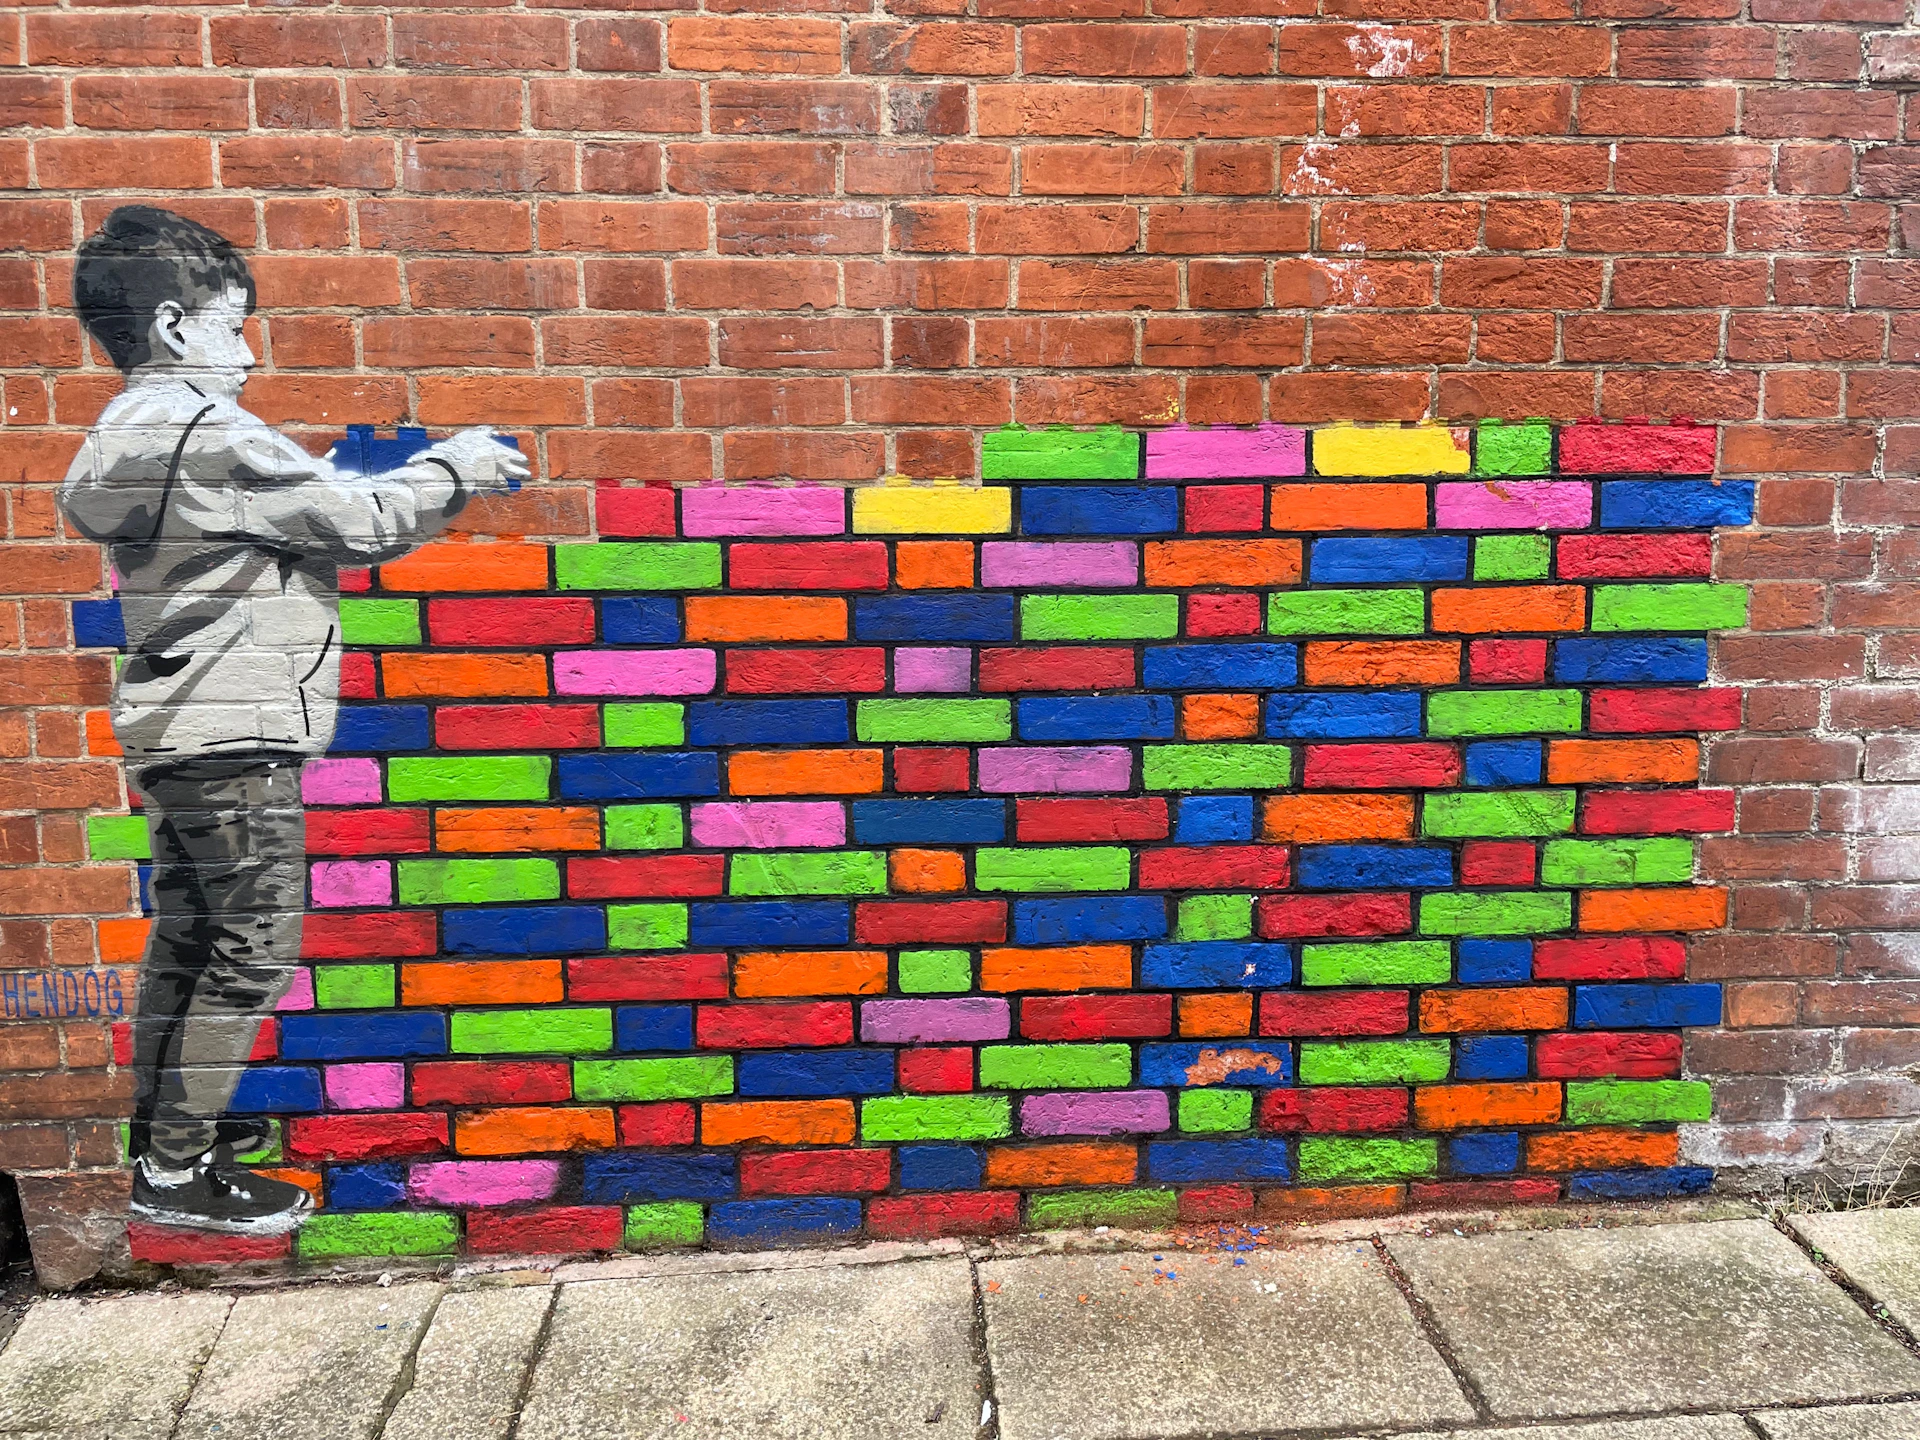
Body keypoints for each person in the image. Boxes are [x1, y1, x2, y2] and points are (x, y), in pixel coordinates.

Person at [59, 206, 530, 1235]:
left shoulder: (122, 438)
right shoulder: (210, 433)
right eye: (237, 325)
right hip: (239, 734)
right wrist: (457, 468)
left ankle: (167, 1149)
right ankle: (179, 1176)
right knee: (253, 951)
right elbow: (357, 521)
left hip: (177, 732)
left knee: (189, 940)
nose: (252, 349)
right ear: (178, 328)